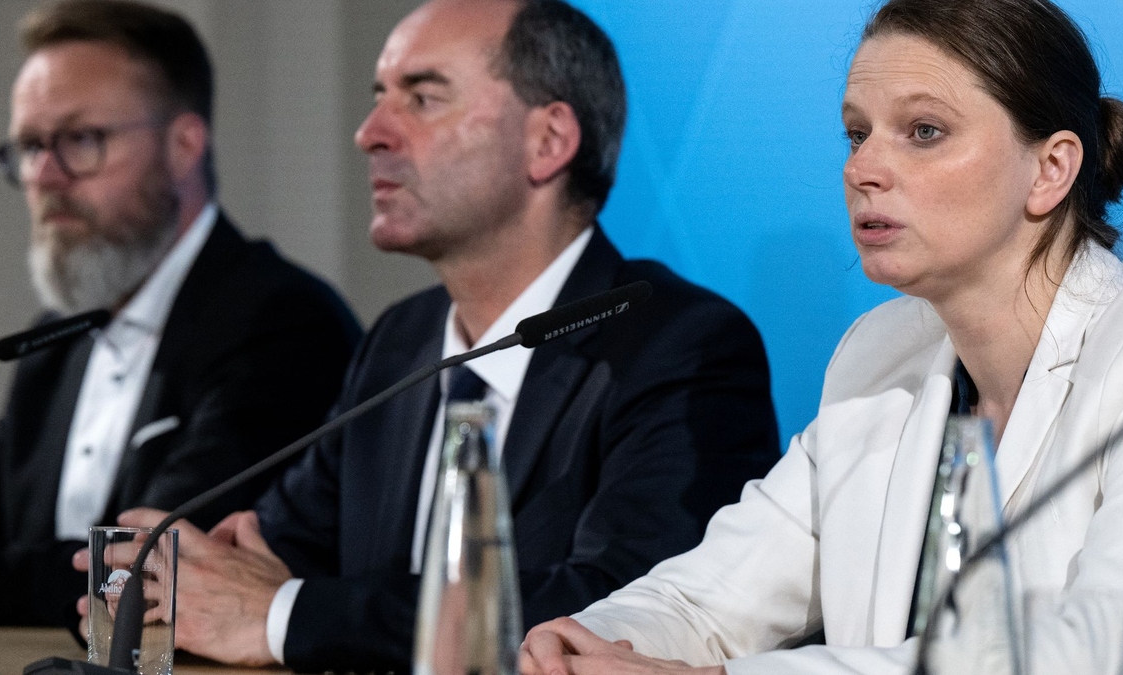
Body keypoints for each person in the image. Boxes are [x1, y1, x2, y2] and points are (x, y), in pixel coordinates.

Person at [106, 0, 782, 670]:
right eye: (378, 98)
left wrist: (285, 614)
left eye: (423, 98)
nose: (370, 131)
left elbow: (623, 611)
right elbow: (274, 556)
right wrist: (191, 590)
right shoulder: (400, 341)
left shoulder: (683, 347)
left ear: (548, 141)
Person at [520, 0, 1123, 673]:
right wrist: (585, 639)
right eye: (857, 134)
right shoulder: (879, 356)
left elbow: (1112, 645)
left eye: (924, 130)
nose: (863, 169)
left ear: (1051, 168)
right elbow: (709, 599)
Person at [0, 0, 360, 627]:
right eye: (31, 146)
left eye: (81, 140)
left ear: (183, 146)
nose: (47, 176)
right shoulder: (54, 336)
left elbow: (151, 568)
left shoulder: (282, 324)